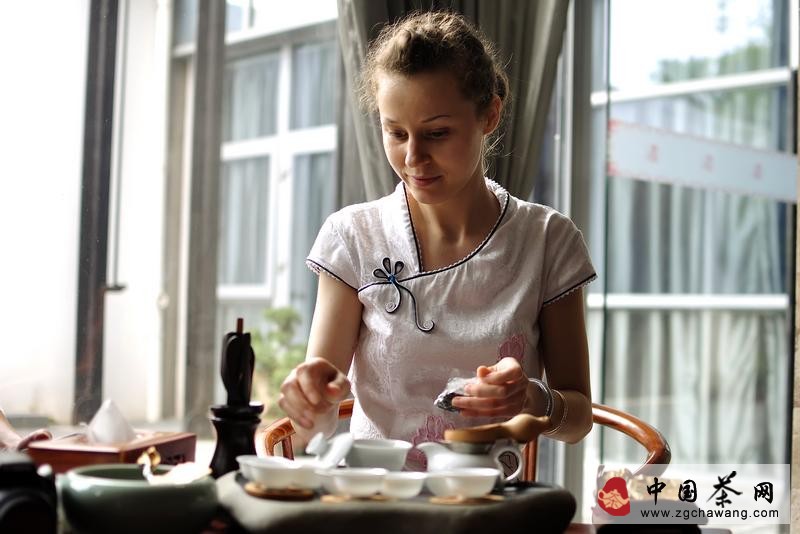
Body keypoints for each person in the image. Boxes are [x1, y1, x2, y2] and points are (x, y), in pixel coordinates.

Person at [278, 11, 594, 466]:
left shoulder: (546, 240)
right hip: (375, 493)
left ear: (490, 114)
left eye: (437, 133)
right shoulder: (353, 237)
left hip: (486, 497)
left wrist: (531, 398)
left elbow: (578, 420)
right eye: (395, 132)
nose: (413, 157)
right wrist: (309, 401)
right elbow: (317, 417)